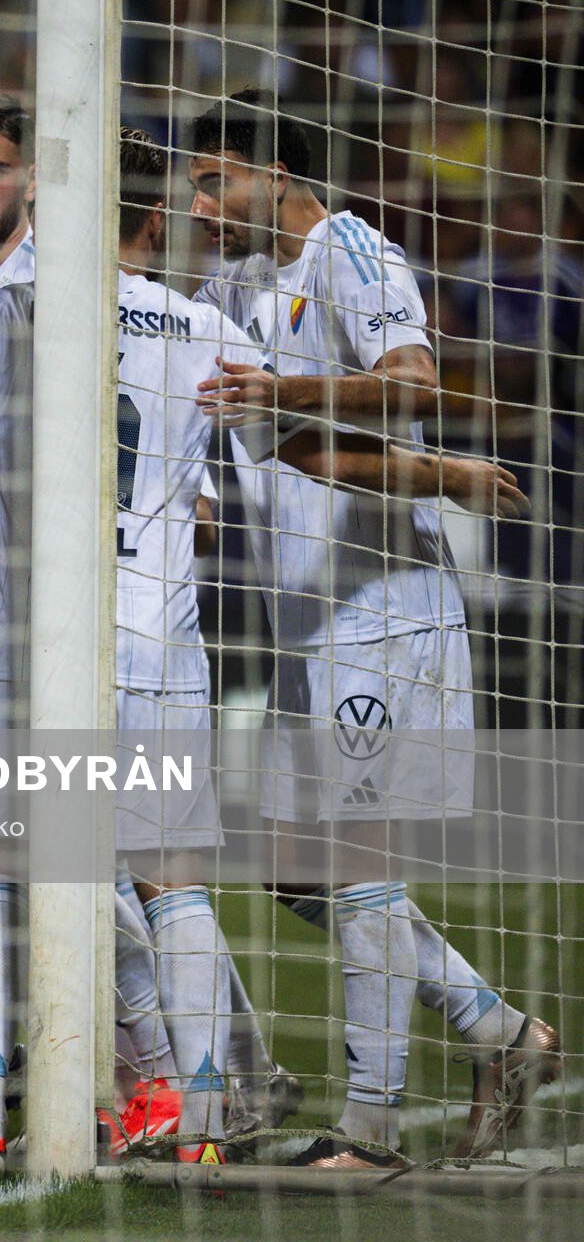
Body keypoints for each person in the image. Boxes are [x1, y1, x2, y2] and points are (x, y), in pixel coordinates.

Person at [187, 88, 556, 1167]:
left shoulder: (348, 247)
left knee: (355, 855)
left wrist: (297, 397)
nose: (206, 204)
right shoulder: (233, 283)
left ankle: (372, 1125)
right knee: (292, 868)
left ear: (277, 175)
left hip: (384, 606)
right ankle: (500, 1031)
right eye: (198, 185)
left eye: (220, 181)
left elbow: (411, 381)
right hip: (311, 615)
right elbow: (272, 442)